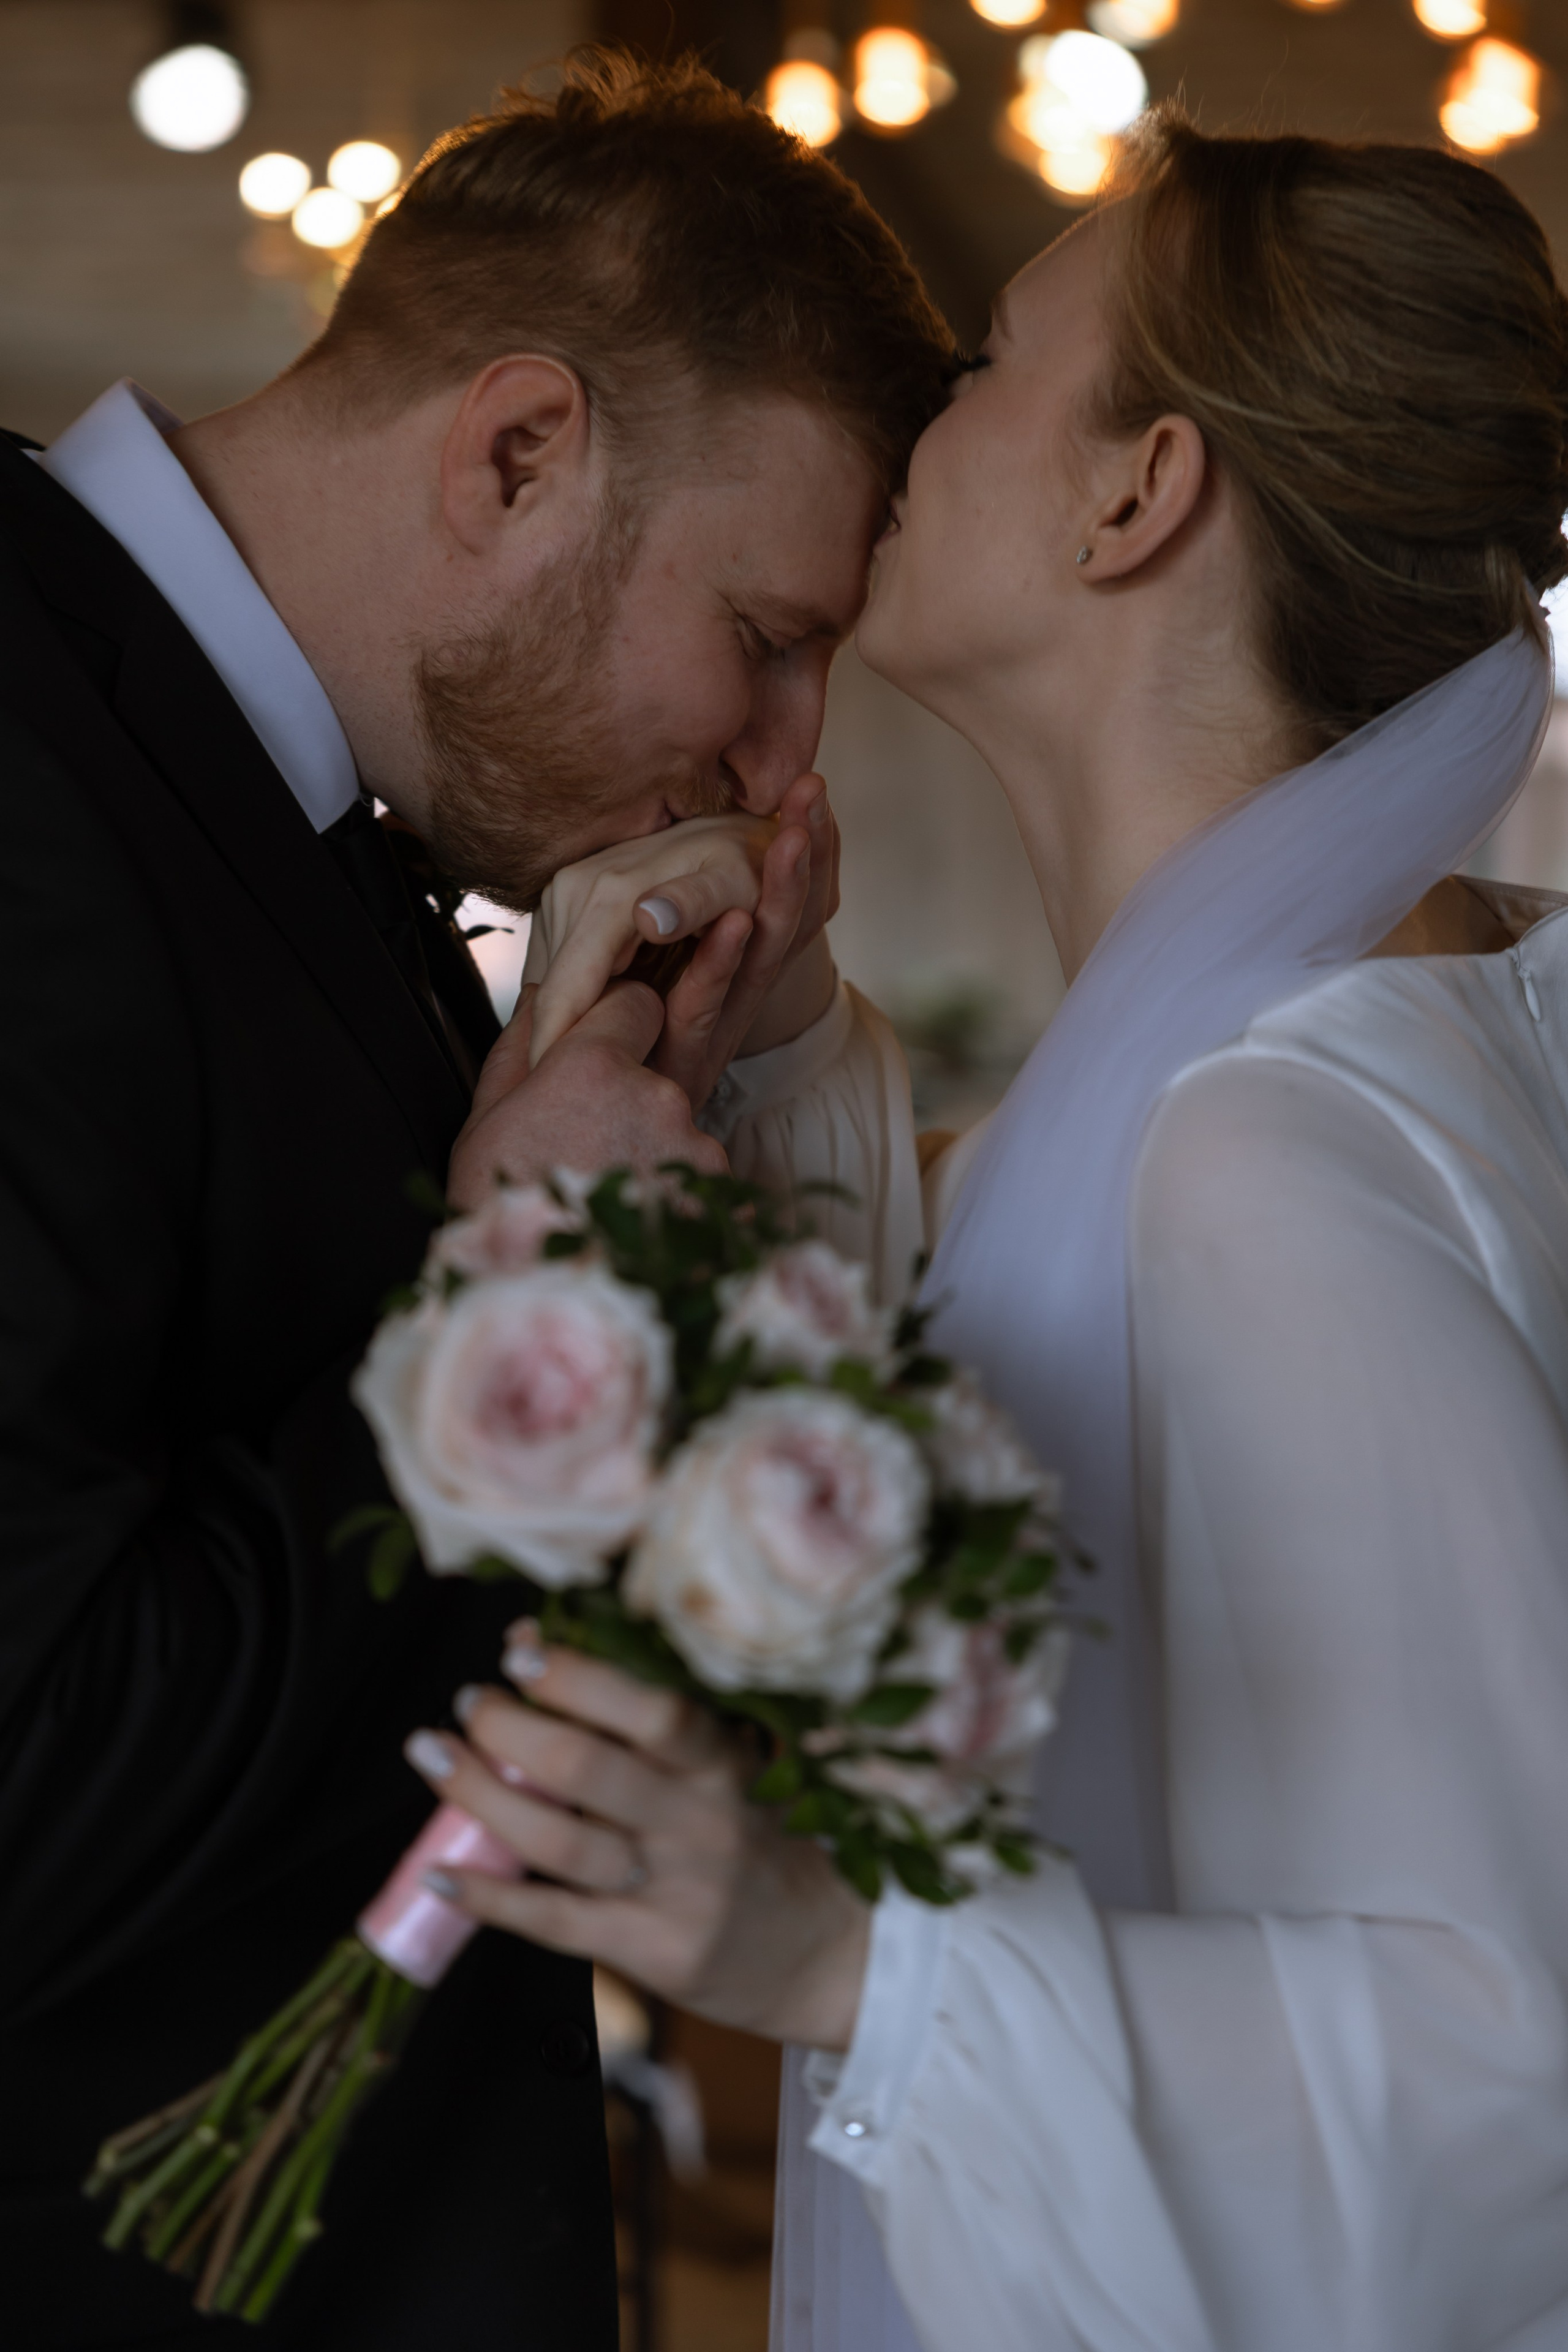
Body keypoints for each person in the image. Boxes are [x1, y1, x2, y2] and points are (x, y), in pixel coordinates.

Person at [407, 116, 1568, 2351]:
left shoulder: (1270, 1157)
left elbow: (1516, 2069)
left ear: (1137, 494)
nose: (916, 409)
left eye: (987, 362)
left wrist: (843, 1956)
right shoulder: (1304, 1058)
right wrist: (777, 1053)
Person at [0, 51, 954, 2351]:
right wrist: (506, 1298)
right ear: (519, 453)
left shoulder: (313, 822)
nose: (787, 764)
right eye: (772, 634)